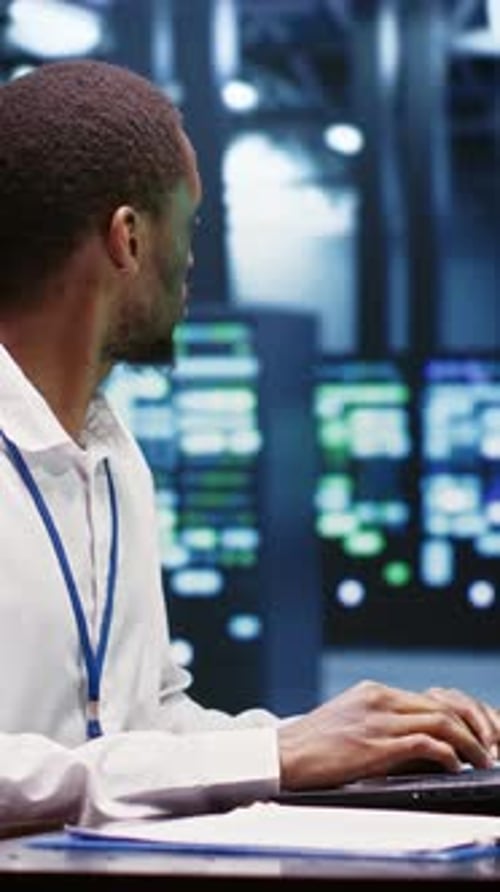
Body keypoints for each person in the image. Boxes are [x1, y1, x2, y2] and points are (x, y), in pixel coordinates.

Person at [0, 59, 498, 838]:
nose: (193, 261)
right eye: (188, 223)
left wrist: (358, 740)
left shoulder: (113, 457)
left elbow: (148, 730)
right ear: (128, 238)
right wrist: (275, 753)